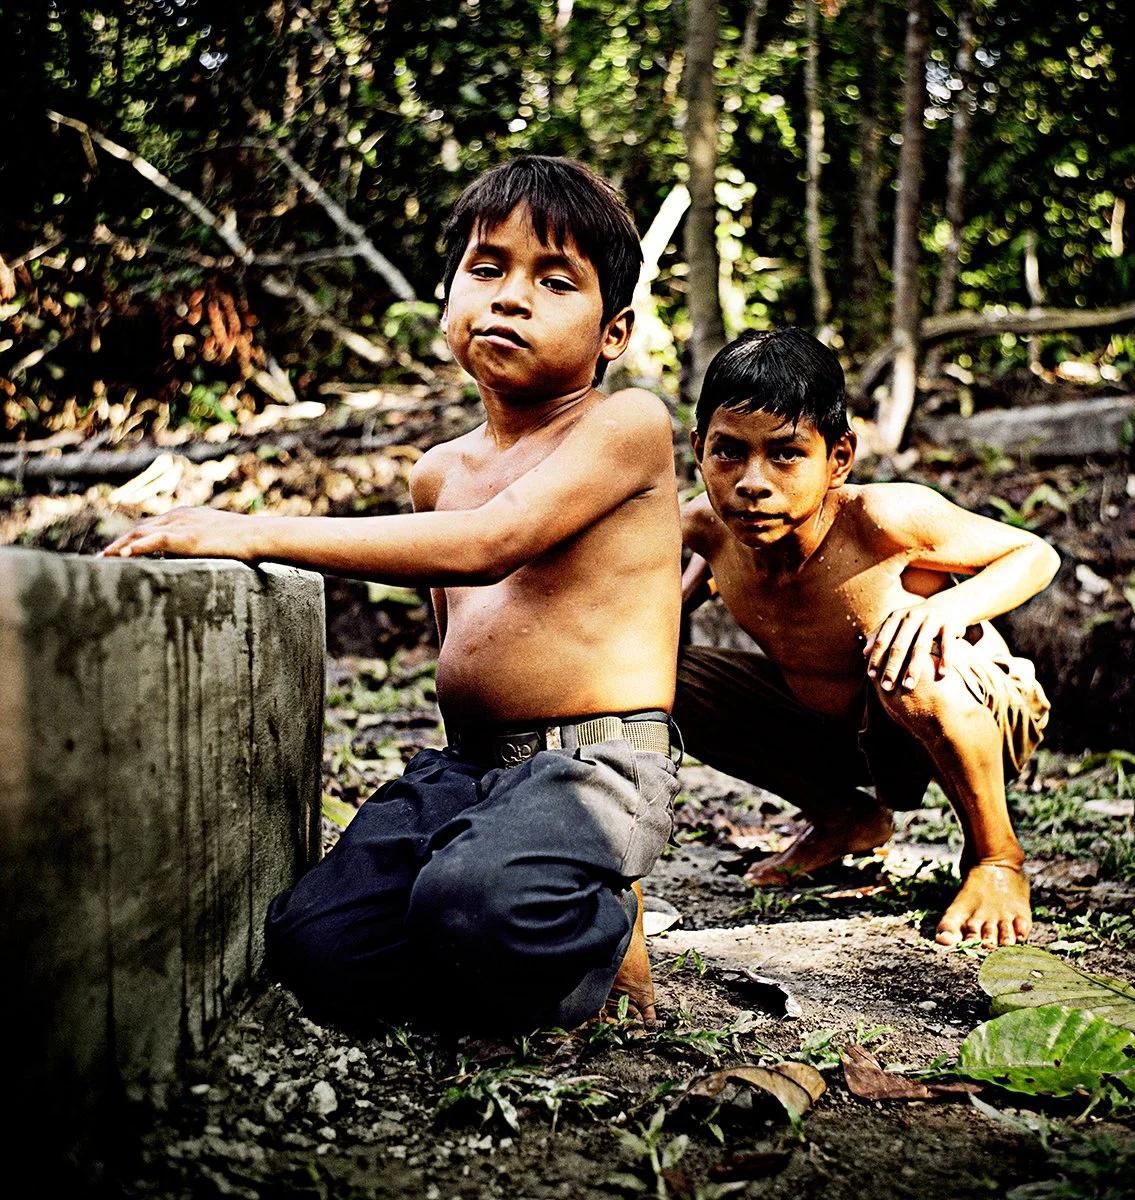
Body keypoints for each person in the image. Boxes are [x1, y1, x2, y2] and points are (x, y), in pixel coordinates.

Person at [103, 156, 682, 1031]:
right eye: (487, 269)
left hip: (594, 765)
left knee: (473, 901)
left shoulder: (625, 424)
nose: (511, 296)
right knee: (316, 946)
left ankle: (600, 924)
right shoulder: (438, 473)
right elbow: (455, 614)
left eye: (555, 280)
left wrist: (251, 528)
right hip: (473, 764)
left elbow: (490, 547)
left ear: (614, 333)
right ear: (448, 294)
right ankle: (496, 912)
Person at [677, 327, 1059, 948]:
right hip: (833, 726)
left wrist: (947, 610)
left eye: (785, 454)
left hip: (964, 709)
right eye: (729, 453)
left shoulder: (884, 519)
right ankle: (843, 816)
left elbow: (1033, 554)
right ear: (699, 449)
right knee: (658, 672)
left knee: (909, 658)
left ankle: (997, 858)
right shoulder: (705, 528)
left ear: (839, 457)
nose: (752, 480)